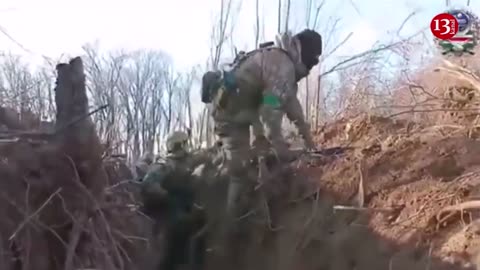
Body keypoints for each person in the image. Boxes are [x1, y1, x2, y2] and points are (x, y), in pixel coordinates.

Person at [200, 28, 323, 269]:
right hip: (231, 116)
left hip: (244, 111)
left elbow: (292, 107)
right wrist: (281, 150)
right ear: (302, 52)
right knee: (240, 174)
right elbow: (270, 111)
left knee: (258, 154)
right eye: (312, 60)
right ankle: (227, 242)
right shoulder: (283, 65)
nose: (311, 67)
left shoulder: (280, 62)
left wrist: (311, 144)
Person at [140, 131, 211, 270]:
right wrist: (169, 198)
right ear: (180, 145)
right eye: (185, 143)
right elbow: (148, 184)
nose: (188, 145)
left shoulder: (186, 160)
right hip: (170, 216)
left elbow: (202, 155)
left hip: (186, 211)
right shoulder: (165, 164)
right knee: (171, 255)